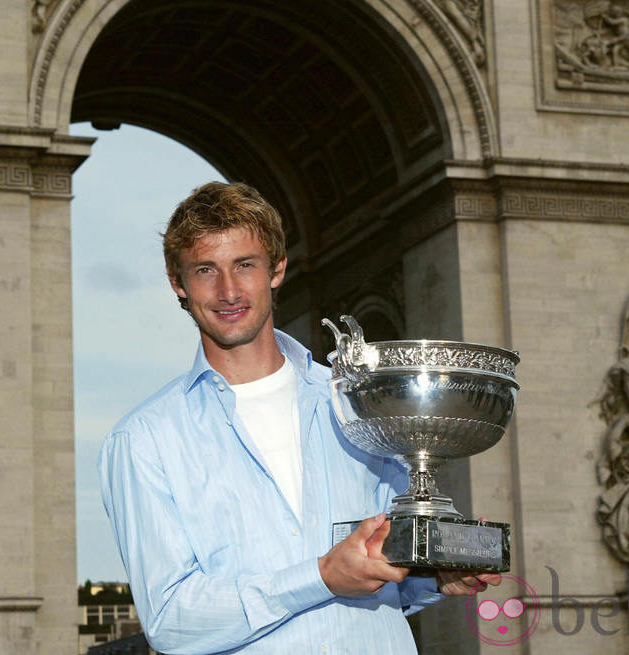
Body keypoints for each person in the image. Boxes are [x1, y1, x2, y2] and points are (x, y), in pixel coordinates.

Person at [98, 182, 499, 654]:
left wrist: (436, 577)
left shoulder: (359, 401)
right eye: (206, 270)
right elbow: (171, 621)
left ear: (277, 268)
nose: (228, 291)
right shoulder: (143, 440)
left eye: (244, 265)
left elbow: (388, 573)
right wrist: (319, 578)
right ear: (177, 283)